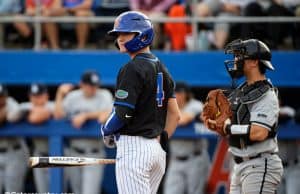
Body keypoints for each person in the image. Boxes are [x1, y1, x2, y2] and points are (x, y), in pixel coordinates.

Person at [102, 11, 180, 194]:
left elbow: (123, 113)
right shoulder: (163, 68)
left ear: (143, 35)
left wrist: (106, 130)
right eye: (118, 34)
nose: (120, 38)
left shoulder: (132, 67)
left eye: (126, 33)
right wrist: (161, 143)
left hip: (134, 149)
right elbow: (175, 115)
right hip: (156, 152)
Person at [203, 39, 283, 193]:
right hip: (240, 165)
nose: (235, 60)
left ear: (253, 62)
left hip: (259, 164)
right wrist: (217, 120)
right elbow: (231, 120)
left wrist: (228, 127)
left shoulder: (266, 94)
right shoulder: (242, 90)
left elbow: (259, 132)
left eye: (239, 56)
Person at [54, 71, 113, 194]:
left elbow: (108, 112)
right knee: (76, 191)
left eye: (95, 85)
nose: (93, 88)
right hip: (74, 152)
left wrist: (86, 115)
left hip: (94, 153)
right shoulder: (73, 97)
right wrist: (59, 94)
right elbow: (58, 116)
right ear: (81, 84)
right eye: (90, 85)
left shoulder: (104, 94)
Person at [163, 81, 210, 194]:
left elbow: (183, 119)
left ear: (186, 94)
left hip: (195, 158)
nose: (177, 95)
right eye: (175, 93)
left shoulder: (195, 104)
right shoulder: (169, 106)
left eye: (180, 93)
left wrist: (168, 119)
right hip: (176, 159)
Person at [20, 83, 54, 193]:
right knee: (42, 191)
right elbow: (12, 115)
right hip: (38, 154)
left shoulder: (52, 105)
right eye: (34, 96)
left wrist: (33, 114)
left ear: (46, 96)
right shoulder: (26, 106)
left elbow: (36, 117)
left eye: (40, 96)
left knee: (56, 189)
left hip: (57, 154)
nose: (37, 99)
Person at [0, 84, 29, 192]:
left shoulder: (11, 103)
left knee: (13, 191)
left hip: (15, 153)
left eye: (1, 96)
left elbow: (13, 117)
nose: (0, 99)